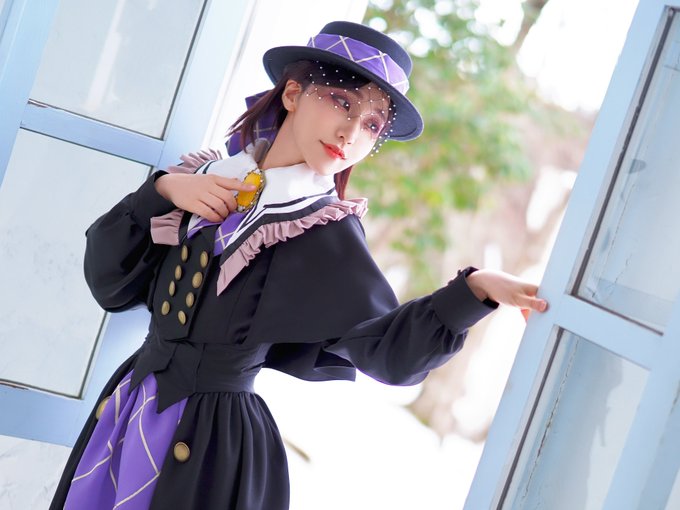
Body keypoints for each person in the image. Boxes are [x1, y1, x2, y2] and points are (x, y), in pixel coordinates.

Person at [50, 20, 547, 510]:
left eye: (373, 125)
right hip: (129, 409)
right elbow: (109, 285)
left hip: (210, 448)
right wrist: (161, 190)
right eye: (342, 102)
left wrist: (473, 291)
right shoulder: (204, 177)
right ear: (293, 94)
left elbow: (388, 351)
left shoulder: (322, 228)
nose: (351, 132)